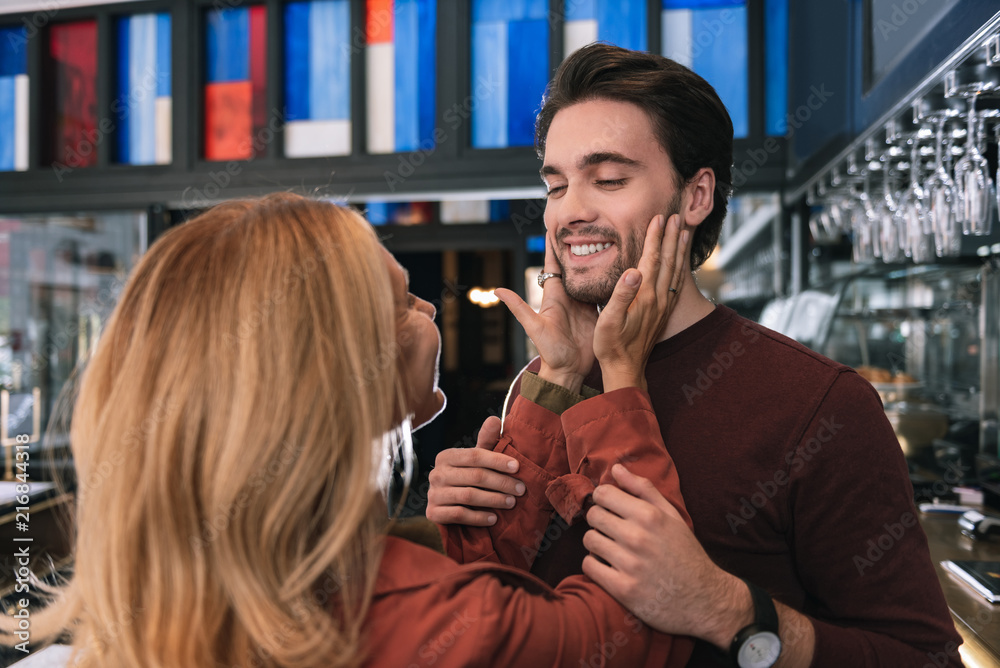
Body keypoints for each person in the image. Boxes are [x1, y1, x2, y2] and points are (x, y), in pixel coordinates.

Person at [427, 44, 964, 668]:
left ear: (694, 197)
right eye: (555, 185)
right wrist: (470, 508)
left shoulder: (821, 405)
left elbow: (926, 660)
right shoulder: (543, 380)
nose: (570, 211)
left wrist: (728, 610)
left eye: (608, 180)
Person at [1, 193, 699, 668]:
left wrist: (557, 381)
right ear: (338, 369)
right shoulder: (407, 609)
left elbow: (465, 589)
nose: (427, 305)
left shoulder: (225, 575)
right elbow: (639, 632)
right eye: (402, 300)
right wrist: (623, 379)